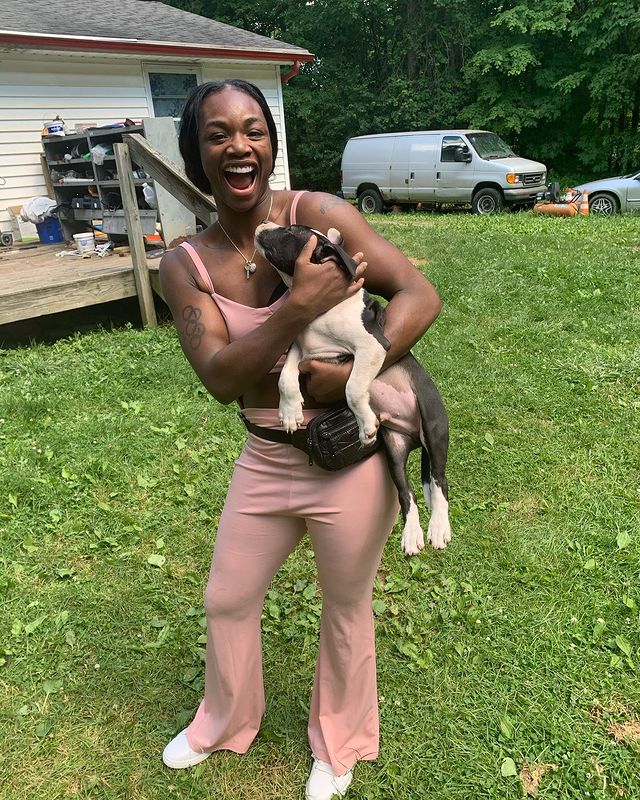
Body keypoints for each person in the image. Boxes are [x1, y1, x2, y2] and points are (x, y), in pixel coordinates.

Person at [158, 79, 441, 800]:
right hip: (265, 456)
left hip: (348, 455)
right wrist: (301, 305)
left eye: (254, 129)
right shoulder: (185, 264)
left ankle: (339, 743)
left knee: (345, 607)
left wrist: (338, 375)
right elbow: (223, 378)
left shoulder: (316, 215)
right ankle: (222, 719)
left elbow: (417, 295)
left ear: (271, 145)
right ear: (197, 153)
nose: (238, 145)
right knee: (227, 597)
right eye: (217, 133)